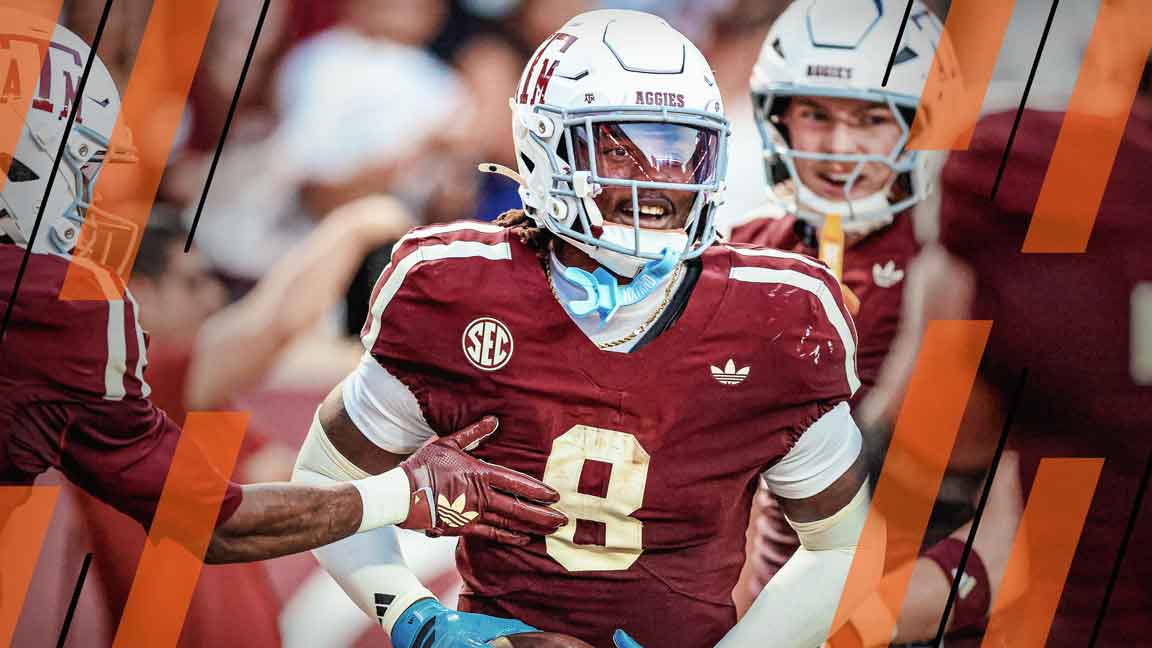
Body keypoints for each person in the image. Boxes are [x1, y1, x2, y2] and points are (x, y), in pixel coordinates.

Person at [293, 10, 882, 648]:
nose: (657, 178)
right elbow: (328, 479)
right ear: (544, 147)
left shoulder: (774, 312)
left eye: (678, 149)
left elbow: (843, 546)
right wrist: (419, 620)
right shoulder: (455, 288)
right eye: (620, 148)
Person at [0, 13, 563, 566]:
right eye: (81, 167)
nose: (93, 196)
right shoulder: (57, 306)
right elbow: (219, 525)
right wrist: (404, 492)